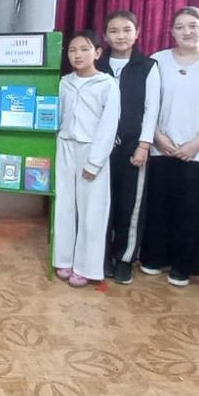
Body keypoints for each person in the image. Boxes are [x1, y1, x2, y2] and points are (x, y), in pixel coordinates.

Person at [140, 6, 199, 287]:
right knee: (158, 207)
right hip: (161, 148)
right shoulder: (157, 60)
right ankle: (154, 258)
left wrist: (195, 144)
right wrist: (158, 138)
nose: (187, 31)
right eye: (180, 26)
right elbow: (147, 105)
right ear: (171, 31)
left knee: (192, 212)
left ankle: (183, 266)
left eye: (193, 25)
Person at [95, 10, 159, 285]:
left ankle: (124, 258)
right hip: (100, 146)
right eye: (114, 31)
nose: (120, 36)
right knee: (100, 202)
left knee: (130, 204)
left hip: (133, 146)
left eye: (126, 30)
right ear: (105, 36)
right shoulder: (97, 64)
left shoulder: (148, 66)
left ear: (137, 33)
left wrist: (144, 145)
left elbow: (151, 109)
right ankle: (100, 255)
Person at [54, 30, 121, 285]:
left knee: (92, 210)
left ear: (97, 52)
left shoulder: (107, 84)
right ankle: (63, 259)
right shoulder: (64, 82)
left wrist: (95, 162)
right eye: (72, 50)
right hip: (65, 146)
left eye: (84, 49)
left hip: (92, 150)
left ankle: (86, 267)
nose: (77, 55)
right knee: (64, 205)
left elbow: (109, 125)